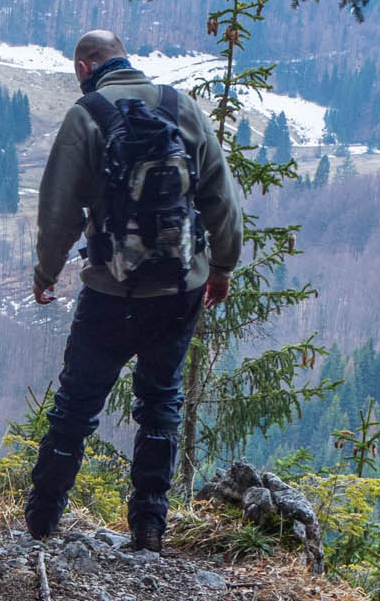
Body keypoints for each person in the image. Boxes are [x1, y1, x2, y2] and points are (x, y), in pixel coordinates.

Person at [26, 30, 244, 552]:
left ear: (84, 69)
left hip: (110, 291)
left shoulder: (87, 116)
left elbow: (59, 212)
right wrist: (222, 267)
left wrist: (46, 271)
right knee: (161, 399)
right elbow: (221, 197)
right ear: (126, 58)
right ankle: (148, 528)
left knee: (76, 404)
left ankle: (41, 523)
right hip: (179, 287)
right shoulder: (181, 108)